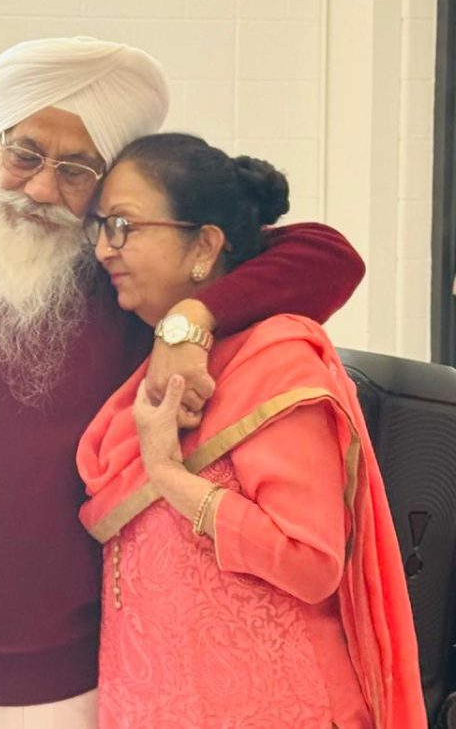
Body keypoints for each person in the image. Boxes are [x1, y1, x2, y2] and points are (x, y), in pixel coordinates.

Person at [0, 37, 367, 729]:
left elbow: (329, 256)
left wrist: (188, 321)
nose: (40, 189)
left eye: (76, 169)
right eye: (24, 154)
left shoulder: (127, 280)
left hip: (92, 667)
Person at [77, 133, 425, 729]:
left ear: (204, 245)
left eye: (124, 225)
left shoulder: (272, 361)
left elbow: (309, 562)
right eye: (101, 227)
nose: (105, 248)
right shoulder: (146, 350)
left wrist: (168, 474)